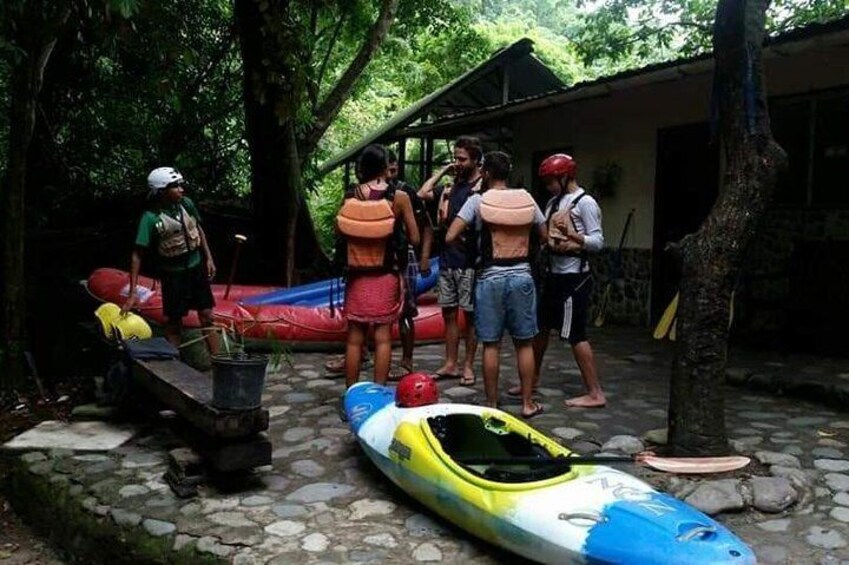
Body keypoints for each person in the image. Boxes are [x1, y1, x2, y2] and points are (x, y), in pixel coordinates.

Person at [446, 151, 547, 418]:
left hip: (490, 276)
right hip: (523, 275)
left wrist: (471, 249)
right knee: (524, 343)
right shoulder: (527, 199)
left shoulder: (477, 201)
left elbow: (450, 235)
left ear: (486, 173)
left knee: (491, 344)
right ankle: (527, 403)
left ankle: (491, 404)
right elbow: (545, 235)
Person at [337, 144, 420, 390]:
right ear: (385, 168)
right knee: (383, 338)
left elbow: (339, 230)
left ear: (361, 169)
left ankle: (350, 396)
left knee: (354, 339)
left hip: (356, 275)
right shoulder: (399, 197)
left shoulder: (350, 196)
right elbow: (414, 238)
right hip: (386, 275)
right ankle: (378, 394)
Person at [527, 153, 606, 408]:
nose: (549, 186)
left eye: (552, 180)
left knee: (575, 334)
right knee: (540, 329)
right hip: (553, 275)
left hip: (575, 277)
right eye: (547, 181)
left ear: (565, 176)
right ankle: (532, 380)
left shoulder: (586, 203)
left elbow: (597, 242)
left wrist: (573, 236)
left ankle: (595, 393)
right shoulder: (553, 203)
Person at [122, 167, 220, 356]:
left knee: (208, 316)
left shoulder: (187, 204)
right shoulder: (150, 218)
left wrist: (209, 258)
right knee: (174, 323)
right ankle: (172, 367)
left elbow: (198, 230)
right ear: (162, 191)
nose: (181, 190)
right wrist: (132, 293)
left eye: (180, 185)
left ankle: (220, 363)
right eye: (175, 187)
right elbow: (137, 254)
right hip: (173, 275)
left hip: (195, 268)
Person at [418, 136, 482, 385]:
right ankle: (451, 362)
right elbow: (423, 192)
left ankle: (468, 365)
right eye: (455, 158)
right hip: (447, 259)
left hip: (469, 261)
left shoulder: (482, 187)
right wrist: (444, 169)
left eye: (462, 159)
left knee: (470, 316)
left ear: (476, 160)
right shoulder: (450, 187)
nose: (458, 163)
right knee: (448, 313)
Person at [386, 149, 433, 378]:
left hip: (405, 257)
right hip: (378, 260)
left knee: (406, 311)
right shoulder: (367, 192)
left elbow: (425, 227)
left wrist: (424, 256)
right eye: (387, 169)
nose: (391, 174)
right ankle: (364, 354)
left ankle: (407, 360)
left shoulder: (405, 192)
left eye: (394, 168)